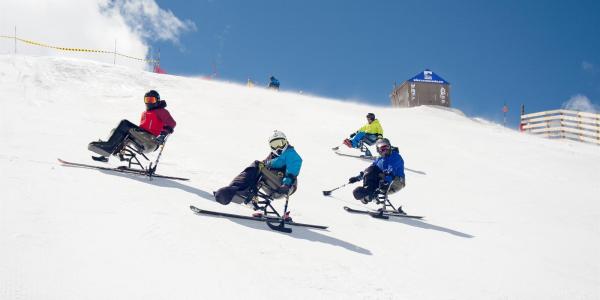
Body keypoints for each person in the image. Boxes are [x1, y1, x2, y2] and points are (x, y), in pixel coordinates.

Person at [214, 130, 302, 220]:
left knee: (257, 165)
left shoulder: (291, 154)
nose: (278, 147)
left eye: (281, 143)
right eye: (275, 145)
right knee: (257, 169)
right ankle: (243, 194)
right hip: (275, 183)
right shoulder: (273, 155)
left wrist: (286, 184)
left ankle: (234, 189)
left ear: (286, 142)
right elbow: (265, 165)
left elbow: (292, 170)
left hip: (285, 185)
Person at [88, 90, 176, 161]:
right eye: (147, 100)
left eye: (151, 100)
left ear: (157, 100)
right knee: (117, 131)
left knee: (125, 124)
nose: (149, 103)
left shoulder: (161, 111)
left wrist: (163, 135)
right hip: (143, 139)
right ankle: (109, 153)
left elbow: (172, 123)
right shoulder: (146, 113)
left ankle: (108, 146)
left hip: (150, 142)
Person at [348, 138, 405, 211]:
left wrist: (386, 180)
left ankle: (369, 194)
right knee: (359, 190)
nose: (385, 150)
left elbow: (391, 170)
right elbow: (369, 170)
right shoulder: (379, 159)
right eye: (382, 148)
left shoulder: (395, 157)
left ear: (390, 147)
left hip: (396, 182)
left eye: (387, 147)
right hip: (383, 181)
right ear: (378, 150)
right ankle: (368, 193)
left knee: (376, 171)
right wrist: (357, 178)